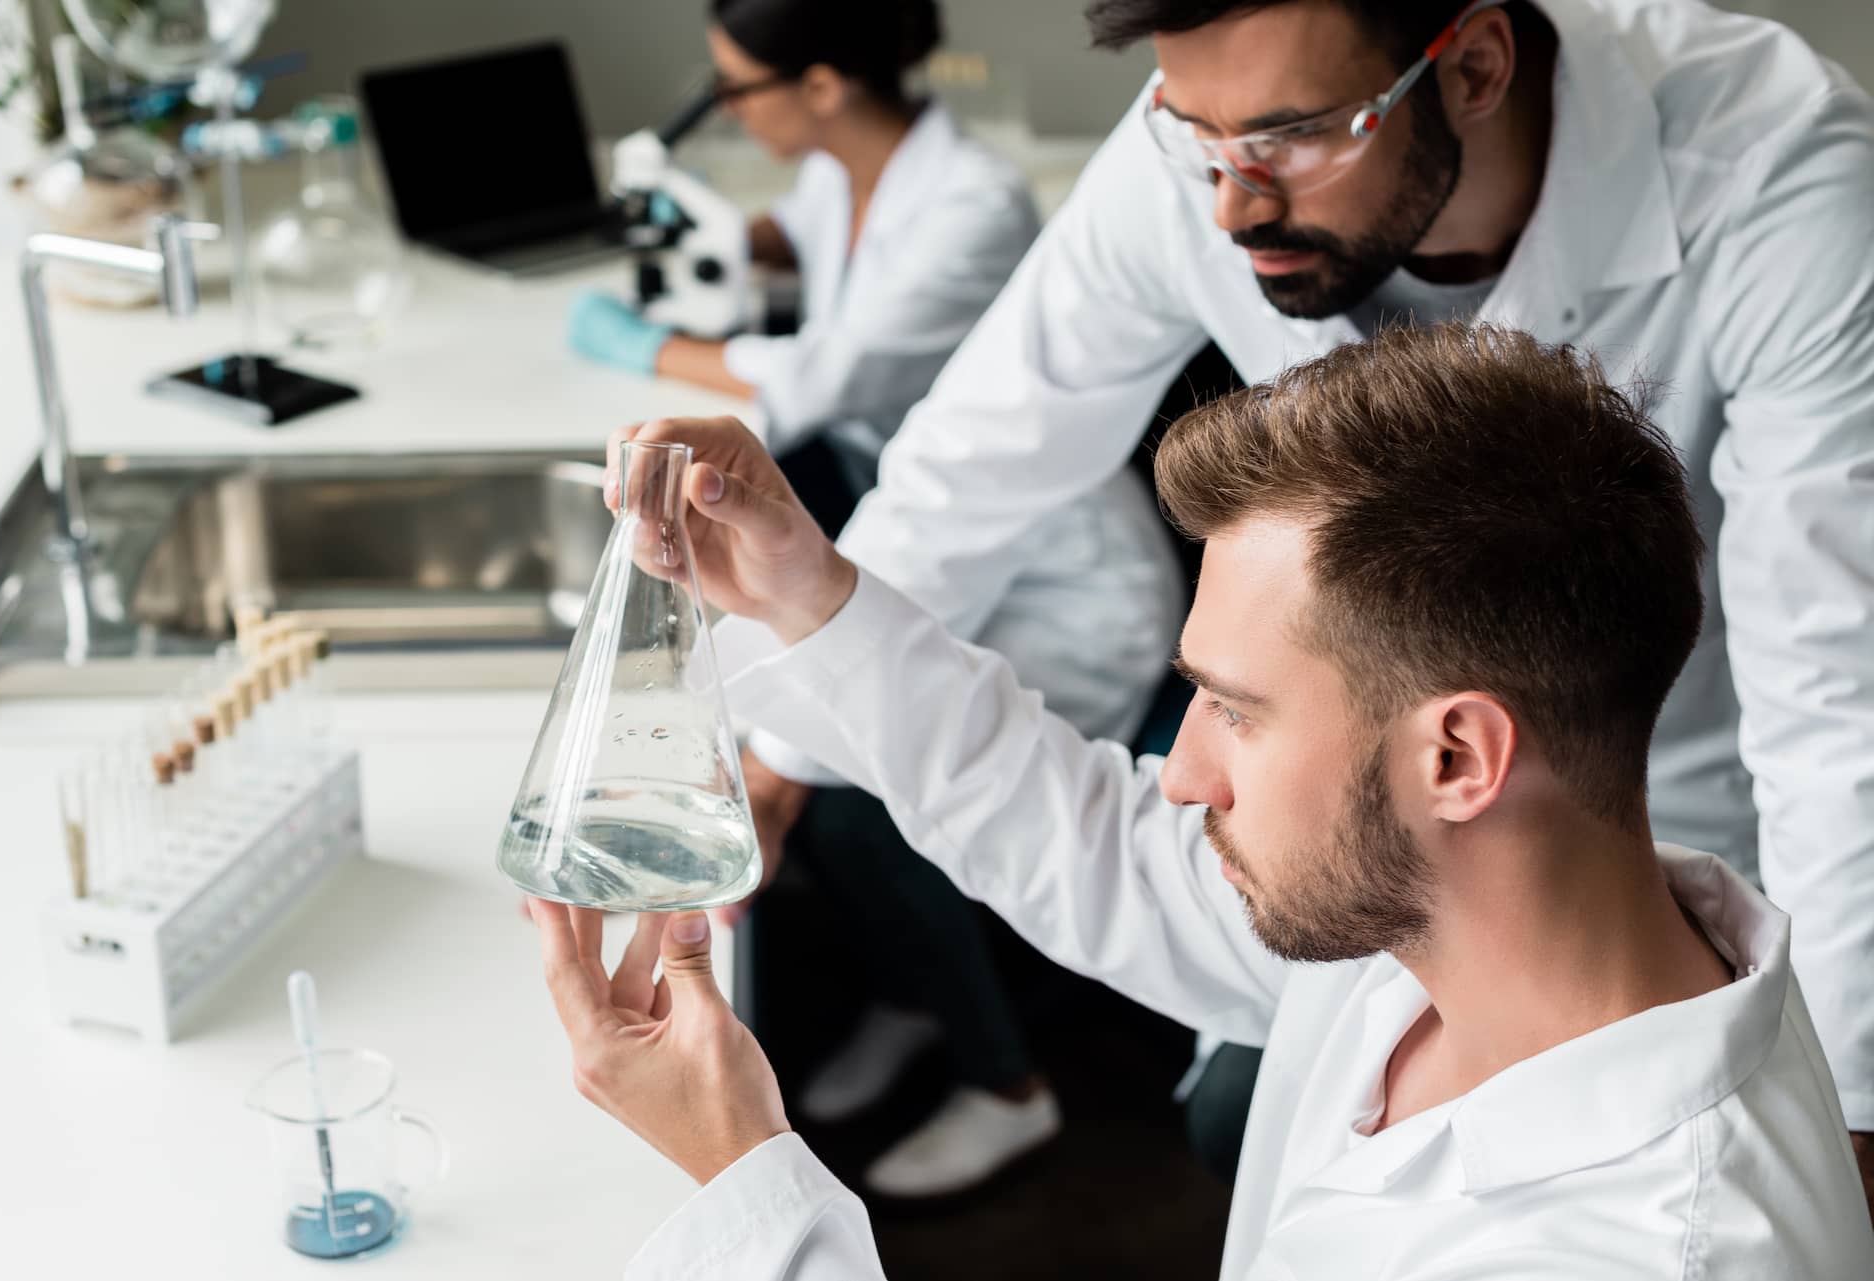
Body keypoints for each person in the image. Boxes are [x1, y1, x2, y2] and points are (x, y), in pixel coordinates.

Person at [706, 0, 1874, 1202]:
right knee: (1259, 1118)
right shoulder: (1213, 144)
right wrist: (787, 743)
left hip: (1669, 804)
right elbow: (975, 463)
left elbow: (1838, 694)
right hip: (1360, 805)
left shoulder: (1771, 168)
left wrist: (1842, 1119)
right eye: (1197, 136)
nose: (1231, 206)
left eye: (1296, 136)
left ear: (1471, 66)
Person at [531, 326, 1874, 1278]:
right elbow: (1087, 837)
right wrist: (796, 583)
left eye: (1236, 707)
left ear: (1459, 757)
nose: (1181, 769)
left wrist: (752, 1186)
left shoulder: (1638, 1249)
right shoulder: (1471, 916)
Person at [569, 0, 1184, 1195]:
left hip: (1065, 587)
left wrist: (635, 345)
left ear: (824, 86)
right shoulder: (849, 180)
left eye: (740, 90)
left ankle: (1006, 1083)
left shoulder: (972, 205)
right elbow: (808, 268)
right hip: (938, 538)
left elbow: (824, 384)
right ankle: (915, 988)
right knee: (811, 740)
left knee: (852, 791)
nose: (729, 111)